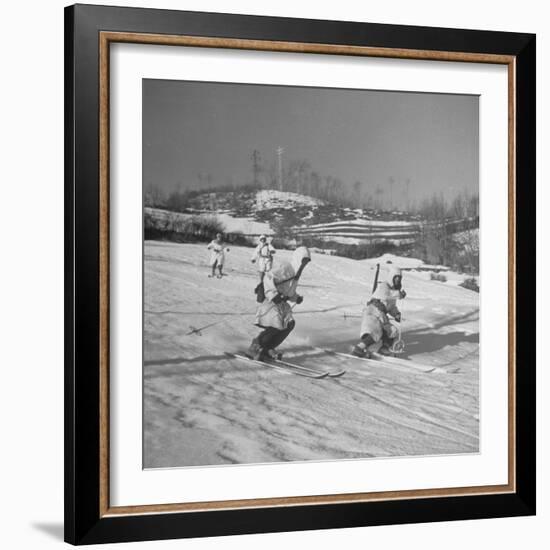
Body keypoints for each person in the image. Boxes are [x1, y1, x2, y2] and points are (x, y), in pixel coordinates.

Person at [247, 247, 311, 361]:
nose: (305, 264)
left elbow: (289, 291)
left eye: (307, 261)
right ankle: (256, 346)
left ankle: (268, 348)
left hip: (281, 303)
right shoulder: (285, 268)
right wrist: (273, 294)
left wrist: (296, 298)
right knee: (276, 324)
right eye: (303, 260)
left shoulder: (296, 273)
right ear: (298, 258)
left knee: (289, 324)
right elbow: (268, 277)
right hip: (271, 301)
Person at [351, 265, 407, 358]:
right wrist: (398, 294)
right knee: (374, 331)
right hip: (373, 311)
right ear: (391, 277)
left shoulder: (393, 291)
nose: (398, 280)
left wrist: (396, 314)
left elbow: (391, 306)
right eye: (396, 277)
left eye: (399, 278)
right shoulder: (384, 286)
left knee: (392, 331)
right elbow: (386, 295)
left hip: (381, 315)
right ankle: (359, 348)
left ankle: (384, 349)